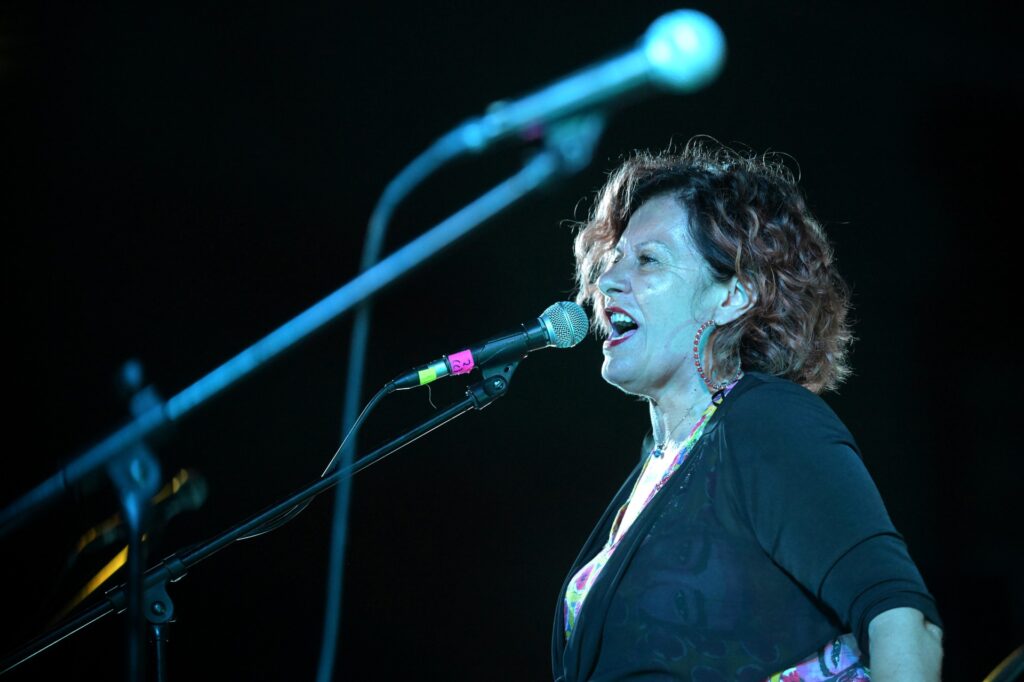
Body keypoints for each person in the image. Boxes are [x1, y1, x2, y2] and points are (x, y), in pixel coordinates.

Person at [551, 139, 943, 681]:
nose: (608, 280)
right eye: (614, 259)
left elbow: (901, 619)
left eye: (648, 260)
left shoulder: (767, 422)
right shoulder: (658, 465)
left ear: (733, 296)